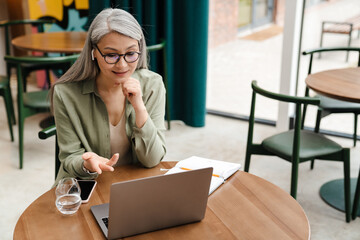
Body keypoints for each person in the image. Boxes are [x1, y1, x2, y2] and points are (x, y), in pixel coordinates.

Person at [50, 8, 167, 185]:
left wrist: (139, 107)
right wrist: (86, 164)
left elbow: (153, 159)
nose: (122, 65)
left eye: (130, 53)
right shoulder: (65, 93)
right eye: (111, 55)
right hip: (87, 186)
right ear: (93, 52)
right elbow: (69, 157)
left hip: (135, 186)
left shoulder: (153, 85)